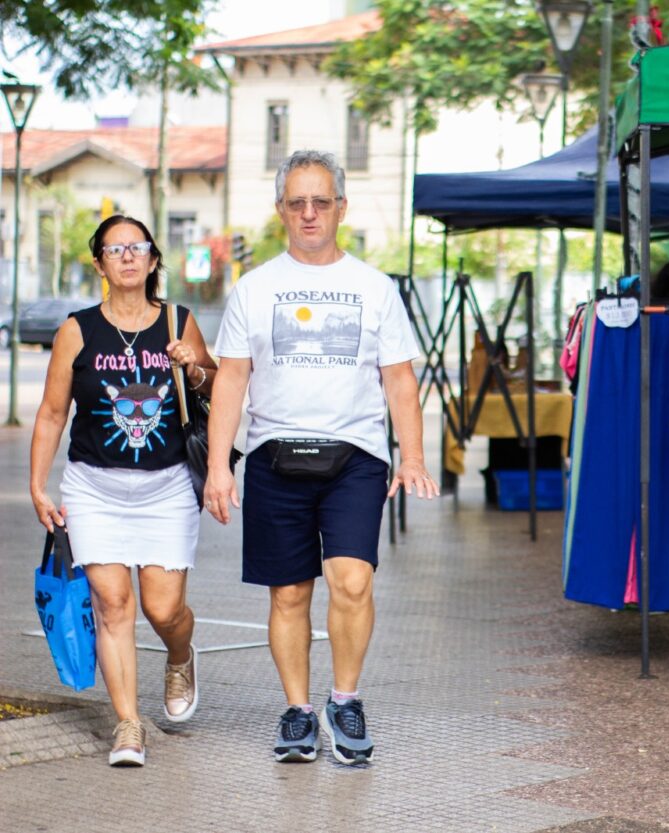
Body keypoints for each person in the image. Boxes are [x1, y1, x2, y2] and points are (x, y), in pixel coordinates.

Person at [204, 150, 437, 765]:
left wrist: (411, 455)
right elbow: (230, 381)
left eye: (321, 201)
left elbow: (400, 381)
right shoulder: (254, 289)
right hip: (274, 456)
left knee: (352, 580)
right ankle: (299, 712)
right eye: (297, 202)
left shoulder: (375, 287)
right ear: (281, 209)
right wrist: (217, 467)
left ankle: (345, 698)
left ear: (341, 208)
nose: (310, 213)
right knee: (288, 594)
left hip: (355, 456)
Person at [30, 215, 215, 766]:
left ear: (154, 259)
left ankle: (180, 653)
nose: (128, 257)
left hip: (166, 488)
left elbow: (215, 379)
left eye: (137, 248)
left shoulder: (179, 320)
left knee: (163, 609)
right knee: (113, 605)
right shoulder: (77, 329)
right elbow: (52, 411)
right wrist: (37, 484)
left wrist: (195, 368)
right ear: (100, 264)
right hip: (94, 487)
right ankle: (128, 725)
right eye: (116, 250)